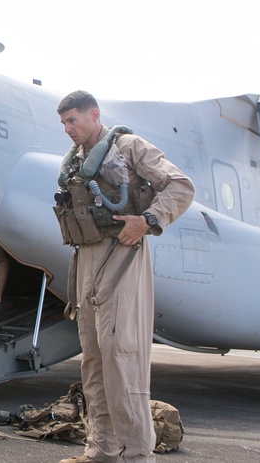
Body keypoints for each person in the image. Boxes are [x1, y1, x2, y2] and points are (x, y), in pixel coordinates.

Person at [53, 90, 194, 463]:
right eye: (63, 122)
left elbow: (180, 186)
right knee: (94, 359)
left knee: (122, 355)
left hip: (123, 253)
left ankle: (135, 454)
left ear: (94, 114)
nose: (67, 128)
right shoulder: (77, 160)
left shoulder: (128, 146)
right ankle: (101, 450)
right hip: (86, 259)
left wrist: (148, 221)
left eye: (73, 120)